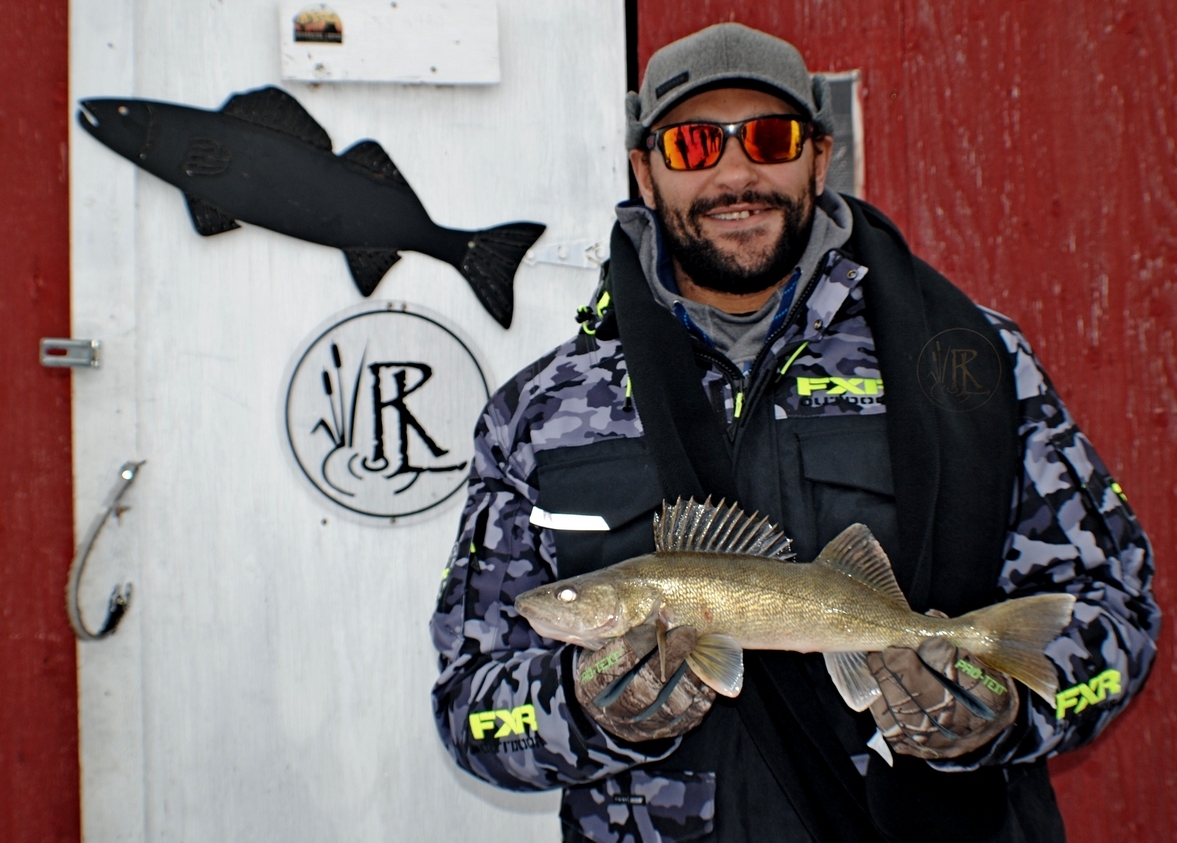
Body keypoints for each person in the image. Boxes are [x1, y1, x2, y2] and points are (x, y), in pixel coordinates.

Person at [431, 22, 1159, 843]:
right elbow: (470, 709)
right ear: (645, 170)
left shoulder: (970, 362)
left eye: (770, 139)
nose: (736, 173)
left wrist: (1008, 711)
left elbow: (1113, 609)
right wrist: (587, 711)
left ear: (818, 154)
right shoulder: (539, 411)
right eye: (695, 143)